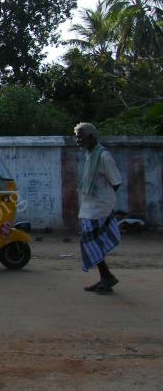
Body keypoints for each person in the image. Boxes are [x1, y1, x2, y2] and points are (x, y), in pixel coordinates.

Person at [74, 122, 122, 294]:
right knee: (93, 243)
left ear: (90, 137)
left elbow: (116, 182)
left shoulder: (103, 156)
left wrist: (104, 200)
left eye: (80, 137)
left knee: (91, 242)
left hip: (99, 208)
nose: (78, 141)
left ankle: (107, 277)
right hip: (90, 206)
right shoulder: (90, 155)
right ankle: (106, 277)